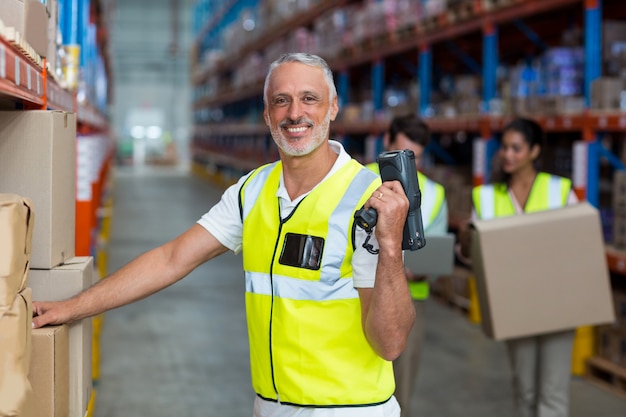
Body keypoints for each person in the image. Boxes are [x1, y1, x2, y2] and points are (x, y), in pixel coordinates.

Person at [32, 53, 416, 417]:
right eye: (281, 101)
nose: (294, 113)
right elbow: (172, 259)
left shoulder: (368, 201)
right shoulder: (253, 192)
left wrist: (390, 248)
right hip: (270, 405)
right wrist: (71, 306)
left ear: (332, 107)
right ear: (267, 114)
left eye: (309, 99)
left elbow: (390, 342)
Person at [470, 117, 578, 417]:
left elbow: (576, 246)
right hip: (516, 307)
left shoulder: (559, 190)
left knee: (553, 393)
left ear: (534, 151)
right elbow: (474, 251)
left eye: (516, 148)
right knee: (525, 390)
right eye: (504, 148)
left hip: (558, 305)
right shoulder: (487, 197)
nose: (508, 154)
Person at [366, 114, 447, 417]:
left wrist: (418, 268)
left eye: (414, 158)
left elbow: (436, 253)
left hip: (411, 301)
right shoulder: (357, 179)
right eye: (400, 155)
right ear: (386, 141)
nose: (407, 168)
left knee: (400, 394)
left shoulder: (434, 193)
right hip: (357, 295)